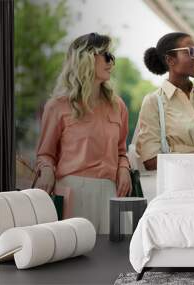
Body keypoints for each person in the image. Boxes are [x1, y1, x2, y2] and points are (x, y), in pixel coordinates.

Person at [35, 33, 131, 234]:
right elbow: (45, 153)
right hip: (74, 193)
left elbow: (122, 151)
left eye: (111, 55)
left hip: (111, 193)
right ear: (86, 58)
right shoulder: (57, 107)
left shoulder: (118, 106)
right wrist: (46, 170)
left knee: (116, 260)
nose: (111, 61)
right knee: (76, 260)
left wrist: (123, 169)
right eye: (105, 55)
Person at [136, 32, 194, 170]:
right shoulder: (153, 101)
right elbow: (150, 160)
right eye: (191, 51)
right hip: (178, 185)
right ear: (170, 60)